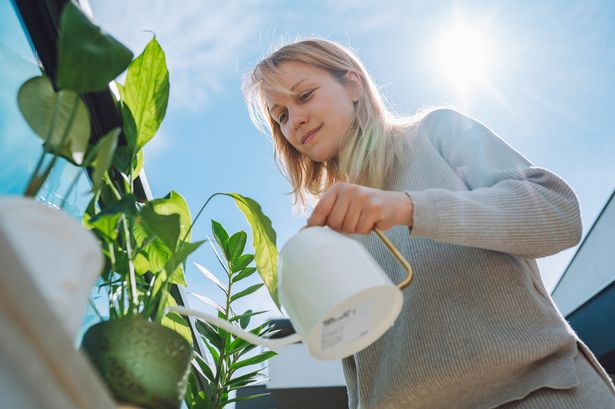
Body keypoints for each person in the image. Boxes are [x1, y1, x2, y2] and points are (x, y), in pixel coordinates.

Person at [242, 38, 615, 409]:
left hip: (542, 394)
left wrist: (409, 208)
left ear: (353, 85)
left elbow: (559, 214)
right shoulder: (331, 229)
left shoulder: (437, 132)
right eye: (281, 116)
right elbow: (359, 367)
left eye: (304, 96)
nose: (295, 122)